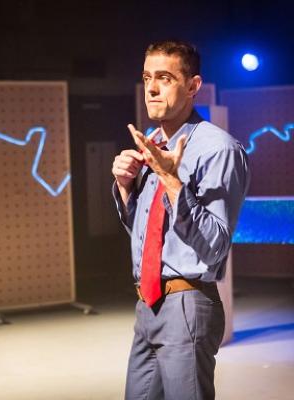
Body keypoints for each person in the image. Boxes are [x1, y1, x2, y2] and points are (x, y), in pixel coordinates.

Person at [112, 40, 250, 400]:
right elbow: (147, 235)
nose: (152, 88)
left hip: (187, 303)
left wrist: (172, 180)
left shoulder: (218, 149)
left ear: (193, 86)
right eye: (146, 78)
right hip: (148, 304)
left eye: (165, 78)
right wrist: (126, 187)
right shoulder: (152, 146)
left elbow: (215, 245)